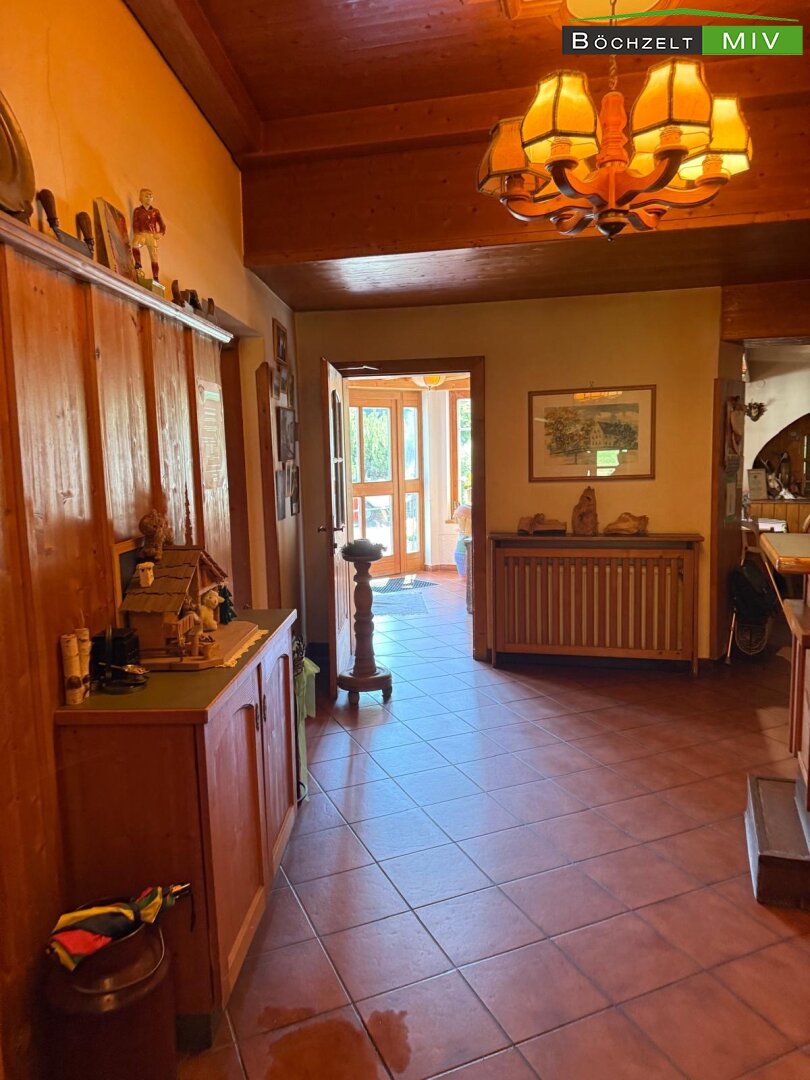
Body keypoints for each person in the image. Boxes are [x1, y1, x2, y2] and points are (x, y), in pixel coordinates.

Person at [132, 188, 166, 281]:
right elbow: (135, 223)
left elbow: (162, 225)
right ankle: (138, 263)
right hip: (142, 234)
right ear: (141, 198)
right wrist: (137, 233)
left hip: (152, 235)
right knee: (135, 244)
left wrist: (160, 233)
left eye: (151, 196)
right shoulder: (137, 211)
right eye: (146, 196)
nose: (149, 198)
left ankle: (156, 277)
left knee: (154, 257)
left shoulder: (155, 211)